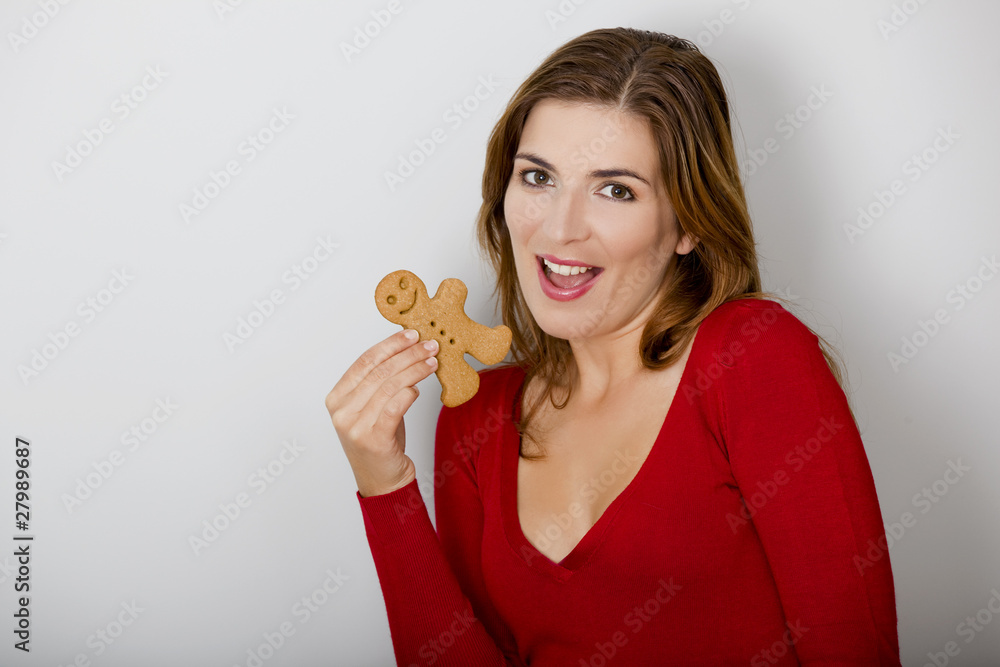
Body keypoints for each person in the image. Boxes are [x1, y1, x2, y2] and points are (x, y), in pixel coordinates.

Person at [326, 27, 902, 666]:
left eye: (616, 189)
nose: (560, 227)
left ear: (687, 224)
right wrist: (384, 483)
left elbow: (857, 650)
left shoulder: (756, 358)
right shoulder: (475, 415)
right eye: (538, 177)